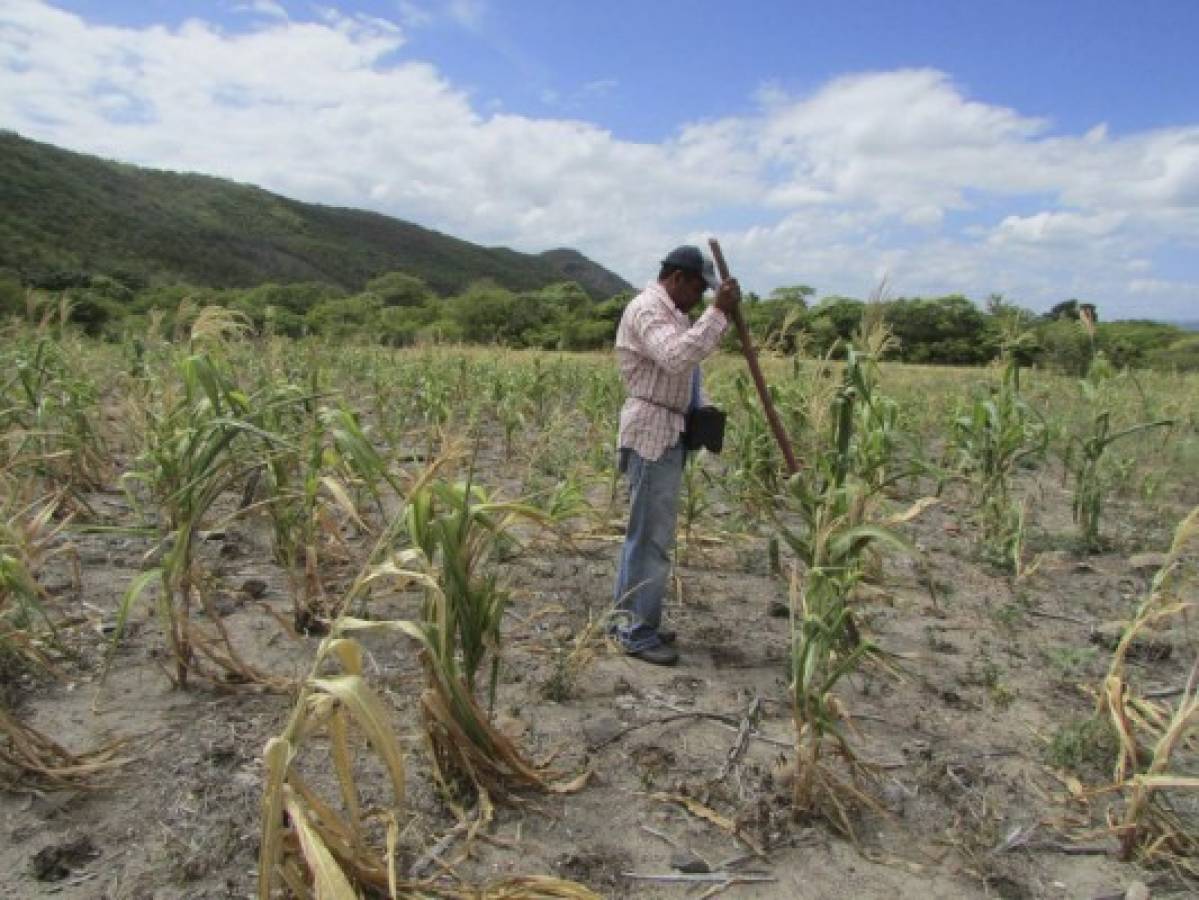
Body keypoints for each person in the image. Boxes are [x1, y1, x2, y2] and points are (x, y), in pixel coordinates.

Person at [610, 244, 741, 665]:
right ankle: (634, 629)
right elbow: (674, 357)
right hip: (652, 433)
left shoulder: (675, 315)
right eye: (699, 289)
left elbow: (688, 367)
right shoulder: (648, 309)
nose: (700, 298)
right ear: (678, 279)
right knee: (649, 538)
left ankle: (633, 618)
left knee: (649, 534)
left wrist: (702, 409)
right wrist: (718, 314)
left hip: (668, 431)